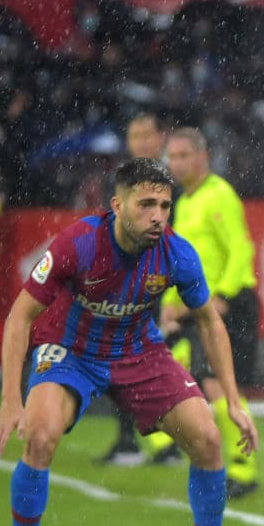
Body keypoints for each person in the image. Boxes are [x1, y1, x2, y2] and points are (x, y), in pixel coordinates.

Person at [0, 159, 258, 526]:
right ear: (118, 204)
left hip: (138, 352)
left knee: (207, 439)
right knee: (39, 437)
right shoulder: (79, 242)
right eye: (146, 203)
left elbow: (210, 322)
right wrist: (9, 400)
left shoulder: (177, 253)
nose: (158, 215)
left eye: (165, 205)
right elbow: (20, 317)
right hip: (70, 351)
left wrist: (235, 401)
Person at [164, 127, 261, 500]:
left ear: (203, 156)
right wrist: (172, 303)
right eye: (171, 157)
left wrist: (223, 294)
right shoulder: (185, 202)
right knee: (196, 380)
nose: (176, 164)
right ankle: (210, 458)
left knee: (221, 386)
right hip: (198, 309)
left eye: (183, 155)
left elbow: (239, 248)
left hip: (225, 304)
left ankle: (243, 468)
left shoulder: (218, 194)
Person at [97, 112, 172, 466]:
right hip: (126, 284)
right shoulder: (118, 182)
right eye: (135, 135)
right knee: (119, 359)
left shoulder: (174, 183)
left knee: (158, 359)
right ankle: (127, 438)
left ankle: (166, 441)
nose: (141, 142)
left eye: (147, 135)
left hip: (161, 284)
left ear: (160, 139)